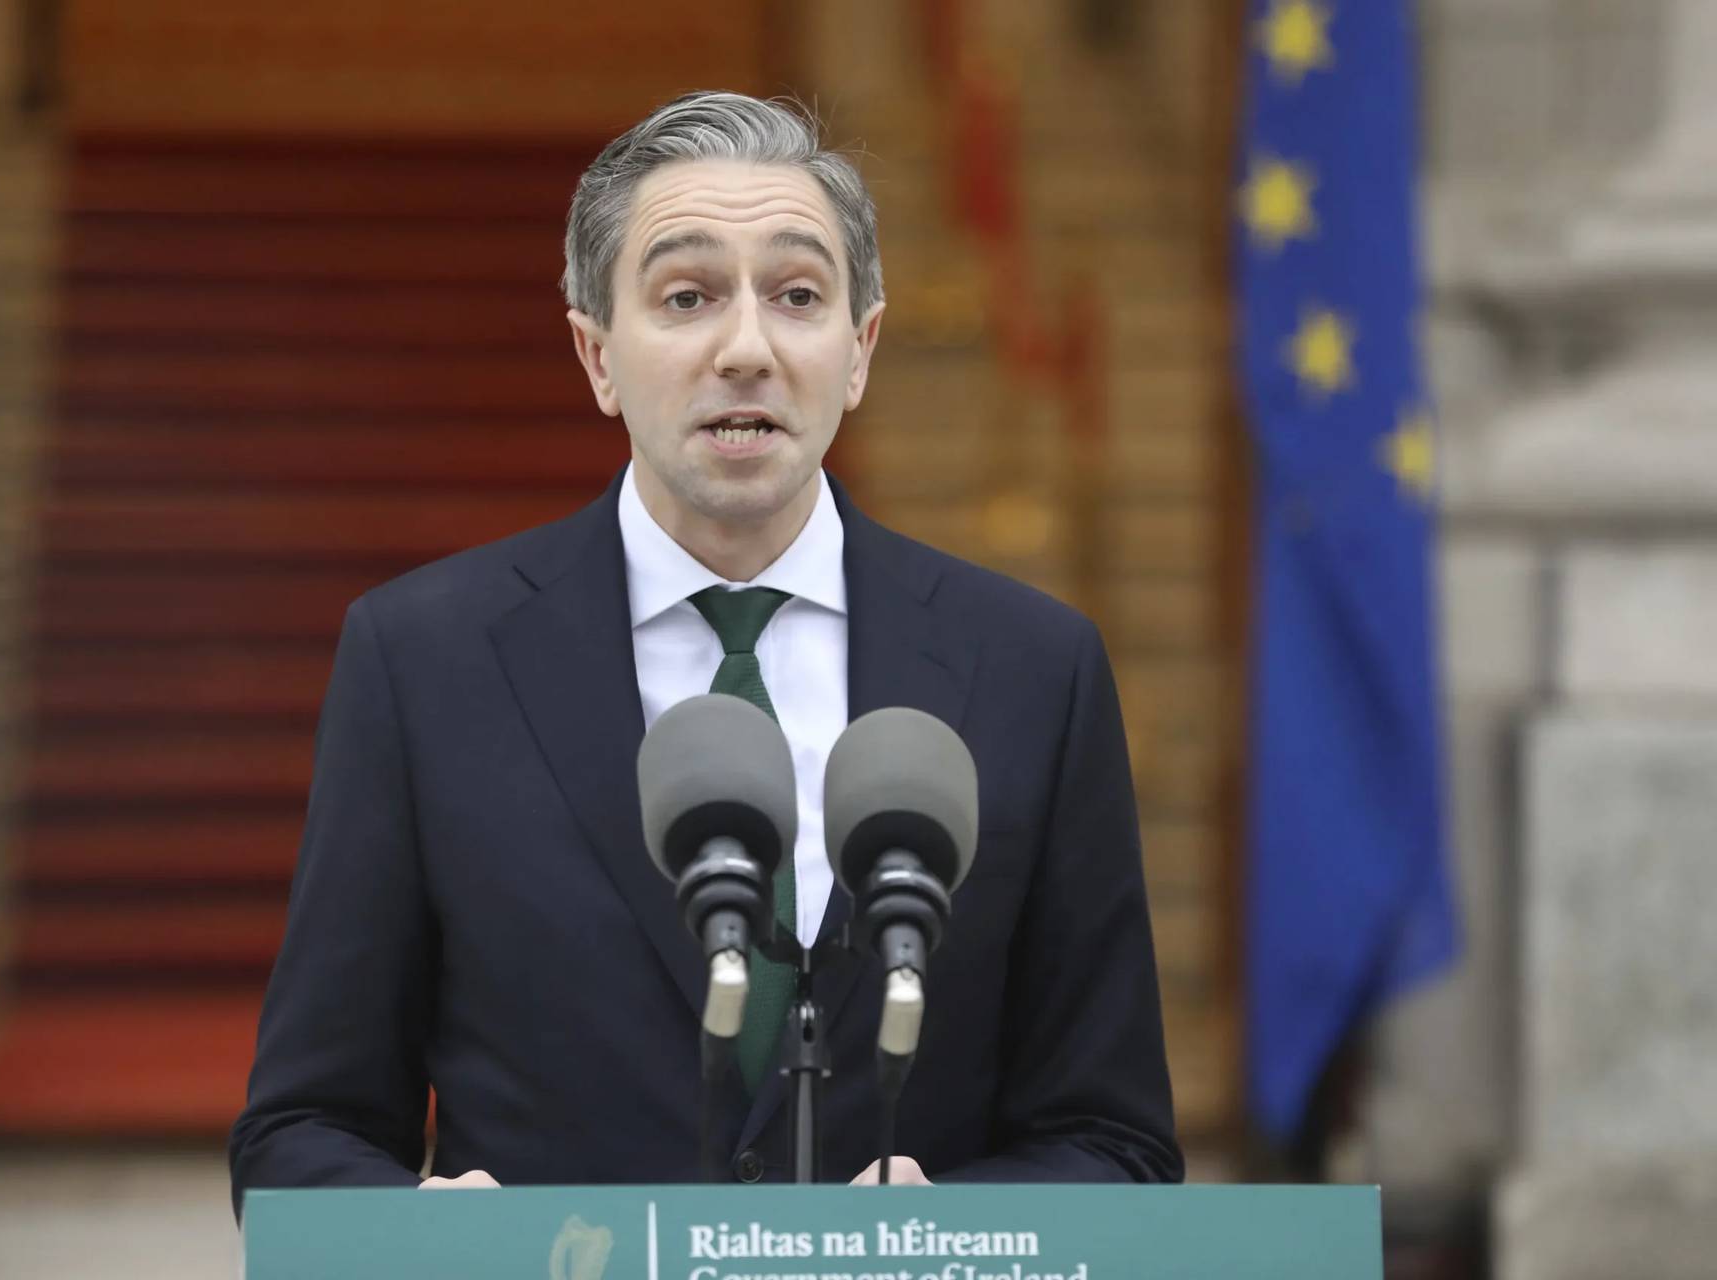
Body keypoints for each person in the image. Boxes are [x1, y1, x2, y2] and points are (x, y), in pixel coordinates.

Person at [228, 91, 1181, 1213]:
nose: (746, 348)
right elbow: (301, 1131)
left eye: (798, 296)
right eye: (687, 296)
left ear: (861, 349)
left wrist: (956, 1226)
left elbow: (1116, 1140)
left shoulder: (1034, 667)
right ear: (596, 355)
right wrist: (425, 1232)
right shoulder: (423, 659)